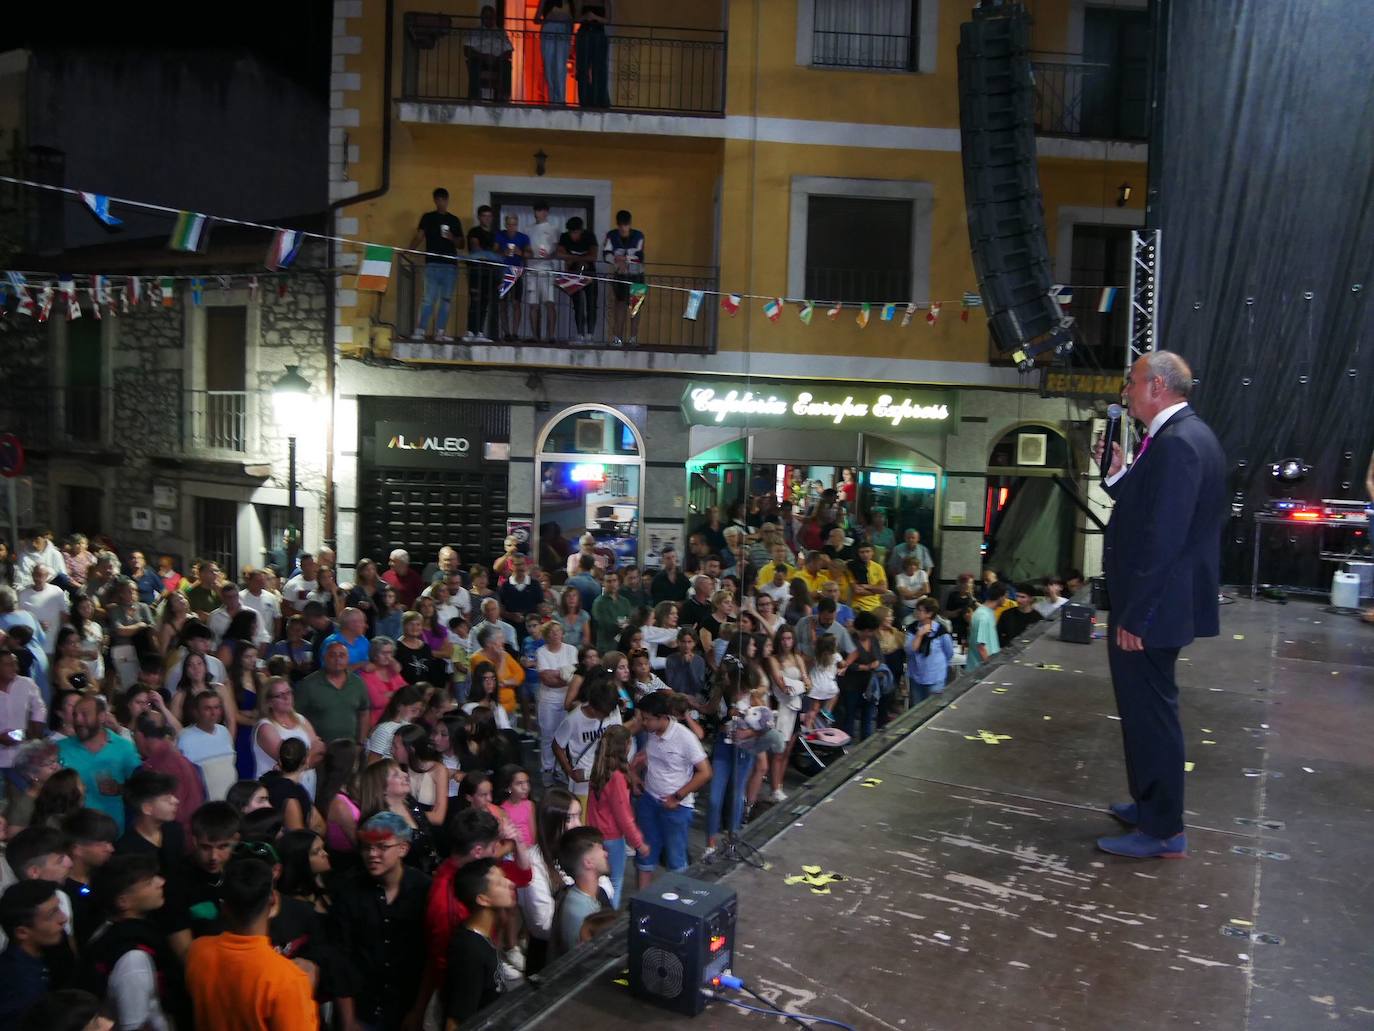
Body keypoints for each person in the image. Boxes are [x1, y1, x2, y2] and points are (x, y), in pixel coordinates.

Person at [1094, 350, 1226, 859]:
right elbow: (1150, 513)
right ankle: (1149, 803)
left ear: (1156, 386)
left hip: (1153, 610)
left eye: (1131, 382)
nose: (1125, 391)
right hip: (1157, 606)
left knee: (1151, 715)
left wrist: (1137, 615)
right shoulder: (1184, 438)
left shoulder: (1178, 445)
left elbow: (1163, 541)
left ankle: (1163, 828)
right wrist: (1119, 473)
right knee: (1144, 710)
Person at [185, 855, 317, 1030]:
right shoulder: (288, 980)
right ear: (273, 901)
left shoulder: (197, 952)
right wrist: (307, 992)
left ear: (224, 907)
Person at [332, 812, 431, 1031]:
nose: (372, 854)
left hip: (405, 1008)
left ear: (403, 849)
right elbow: (340, 957)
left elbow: (429, 956)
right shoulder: (348, 890)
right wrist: (348, 1021)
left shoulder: (424, 889)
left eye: (382, 847)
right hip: (362, 1010)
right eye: (367, 847)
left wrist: (418, 1011)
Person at [84, 854, 182, 1031]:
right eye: (149, 882)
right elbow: (134, 1025)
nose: (161, 882)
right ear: (123, 901)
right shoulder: (132, 957)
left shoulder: (108, 930)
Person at [631, 691, 709, 888]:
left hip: (676, 808)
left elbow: (705, 772)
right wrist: (634, 777)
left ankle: (677, 902)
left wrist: (677, 797)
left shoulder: (685, 738)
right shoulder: (652, 734)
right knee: (645, 853)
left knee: (676, 858)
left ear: (662, 718)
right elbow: (645, 757)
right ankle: (643, 900)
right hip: (649, 801)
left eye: (647, 719)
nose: (644, 723)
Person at [444, 858, 517, 1025]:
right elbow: (456, 1020)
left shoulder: (483, 936)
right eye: (499, 883)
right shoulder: (469, 951)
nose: (510, 884)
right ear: (483, 899)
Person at [56, 694, 140, 832]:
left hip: (113, 832)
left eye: (84, 715)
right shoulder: (60, 748)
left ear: (101, 717)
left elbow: (139, 788)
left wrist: (119, 788)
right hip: (72, 832)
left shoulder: (124, 748)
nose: (78, 720)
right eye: (75, 715)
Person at [0, 880, 68, 1026]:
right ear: (22, 932)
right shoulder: (20, 986)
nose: (63, 918)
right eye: (52, 914)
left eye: (59, 908)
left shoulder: (48, 956)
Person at [131, 710, 205, 838]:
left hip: (176, 841)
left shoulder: (163, 766)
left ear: (139, 735)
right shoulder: (171, 757)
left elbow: (173, 813)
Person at [410, 187, 465, 342]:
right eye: (438, 200)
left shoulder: (454, 220)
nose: (441, 203)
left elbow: (461, 244)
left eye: (443, 200)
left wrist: (452, 237)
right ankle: (420, 330)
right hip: (432, 263)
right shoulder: (428, 217)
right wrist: (409, 250)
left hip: (450, 265)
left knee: (446, 299)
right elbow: (419, 236)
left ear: (447, 200)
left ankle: (440, 332)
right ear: (435, 200)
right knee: (428, 298)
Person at [552, 677, 621, 799]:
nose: (609, 715)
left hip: (607, 775)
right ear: (594, 708)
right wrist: (569, 772)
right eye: (605, 713)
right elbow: (557, 746)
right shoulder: (573, 720)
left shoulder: (612, 709)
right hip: (584, 781)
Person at [294, 641, 370, 746]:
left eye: (342, 655)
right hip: (318, 750)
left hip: (350, 749)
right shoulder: (308, 684)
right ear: (324, 658)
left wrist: (361, 742)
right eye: (332, 655)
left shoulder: (358, 683)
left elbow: (364, 712)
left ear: (348, 658)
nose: (337, 659)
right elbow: (296, 716)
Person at [551, 826, 608, 957]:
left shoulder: (576, 897)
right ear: (588, 862)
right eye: (600, 849)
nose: (606, 854)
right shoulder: (581, 913)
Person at [177, 691, 239, 801]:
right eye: (207, 708)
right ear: (196, 712)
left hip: (230, 803)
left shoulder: (224, 731)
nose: (213, 712)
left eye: (217, 707)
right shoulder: (184, 738)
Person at [0, 646, 47, 773]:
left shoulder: (27, 684)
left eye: (15, 664)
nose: (15, 668)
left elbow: (39, 709)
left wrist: (35, 734)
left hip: (24, 755)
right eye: (9, 664)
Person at [603, 209, 645, 345]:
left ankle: (633, 338)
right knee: (619, 305)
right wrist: (617, 261)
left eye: (626, 225)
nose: (623, 228)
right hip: (620, 276)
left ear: (629, 224)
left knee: (635, 307)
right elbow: (606, 255)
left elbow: (639, 256)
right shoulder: (611, 235)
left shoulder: (639, 236)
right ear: (618, 225)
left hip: (637, 275)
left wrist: (622, 258)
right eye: (621, 226)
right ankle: (618, 338)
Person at [556, 214, 598, 343]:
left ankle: (590, 335)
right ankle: (580, 334)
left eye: (575, 232)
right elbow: (559, 254)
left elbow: (593, 256)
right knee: (578, 305)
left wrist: (572, 258)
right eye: (571, 232)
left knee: (591, 304)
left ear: (581, 230)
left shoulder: (589, 236)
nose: (573, 235)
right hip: (573, 276)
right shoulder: (564, 237)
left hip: (589, 274)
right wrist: (580, 260)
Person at [523, 200, 560, 343]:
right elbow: (526, 247)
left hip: (546, 269)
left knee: (549, 303)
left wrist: (548, 256)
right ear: (535, 212)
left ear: (547, 212)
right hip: (531, 269)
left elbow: (556, 249)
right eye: (539, 210)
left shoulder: (553, 228)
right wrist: (528, 254)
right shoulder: (527, 229)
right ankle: (535, 336)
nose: (542, 213)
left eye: (544, 210)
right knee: (533, 305)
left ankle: (551, 336)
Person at [906, 597, 954, 706]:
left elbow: (949, 652)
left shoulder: (941, 631)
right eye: (916, 609)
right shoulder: (912, 629)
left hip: (935, 676)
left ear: (929, 613)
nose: (916, 612)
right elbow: (910, 650)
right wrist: (919, 635)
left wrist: (940, 666)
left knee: (933, 708)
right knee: (916, 709)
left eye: (920, 610)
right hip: (916, 676)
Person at [463, 204, 500, 342]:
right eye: (484, 216)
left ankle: (479, 332)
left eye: (489, 216)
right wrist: (490, 254)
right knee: (475, 301)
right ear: (479, 217)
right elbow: (475, 249)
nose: (487, 219)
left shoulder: (494, 235)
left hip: (490, 272)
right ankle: (470, 332)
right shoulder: (474, 231)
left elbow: (496, 253)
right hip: (475, 271)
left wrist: (489, 255)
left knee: (484, 302)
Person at [494, 212, 531, 341]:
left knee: (516, 303)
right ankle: (507, 333)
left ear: (517, 225)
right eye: (509, 224)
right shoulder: (500, 235)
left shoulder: (523, 237)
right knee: (502, 303)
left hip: (516, 272)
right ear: (506, 224)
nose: (511, 227)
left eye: (514, 225)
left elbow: (529, 253)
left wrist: (520, 252)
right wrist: (502, 252)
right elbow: (494, 250)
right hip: (502, 271)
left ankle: (515, 333)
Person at [19, 564, 68, 660]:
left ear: (47, 576)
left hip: (52, 646)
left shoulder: (57, 592)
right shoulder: (23, 594)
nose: (38, 578)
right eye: (36, 574)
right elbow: (21, 619)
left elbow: (64, 616)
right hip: (31, 647)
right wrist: (37, 625)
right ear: (32, 575)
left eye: (41, 575)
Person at [574, 1, 610, 108]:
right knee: (582, 68)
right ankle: (585, 100)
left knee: (599, 68)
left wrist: (594, 17)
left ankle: (599, 100)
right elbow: (576, 18)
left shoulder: (605, 1)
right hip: (584, 33)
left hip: (598, 34)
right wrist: (585, 17)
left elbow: (608, 20)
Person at [965, 582, 1004, 675]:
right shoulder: (983, 616)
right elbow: (981, 646)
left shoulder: (988, 613)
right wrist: (991, 668)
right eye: (1005, 597)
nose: (1006, 600)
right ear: (1000, 597)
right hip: (979, 672)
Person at [591, 570, 634, 653]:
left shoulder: (625, 601)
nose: (612, 584)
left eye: (614, 581)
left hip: (624, 644)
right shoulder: (599, 602)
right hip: (606, 645)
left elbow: (630, 619)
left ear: (618, 582)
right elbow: (604, 624)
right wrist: (621, 626)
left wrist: (626, 626)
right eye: (609, 581)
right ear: (603, 583)